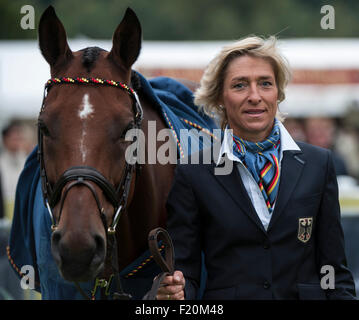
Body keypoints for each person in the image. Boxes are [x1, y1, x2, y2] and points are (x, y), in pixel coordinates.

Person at [156, 36, 356, 300]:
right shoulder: (194, 172)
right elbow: (187, 272)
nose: (254, 96)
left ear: (278, 93)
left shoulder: (319, 164)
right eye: (240, 85)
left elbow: (335, 271)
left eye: (265, 83)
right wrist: (177, 292)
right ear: (220, 98)